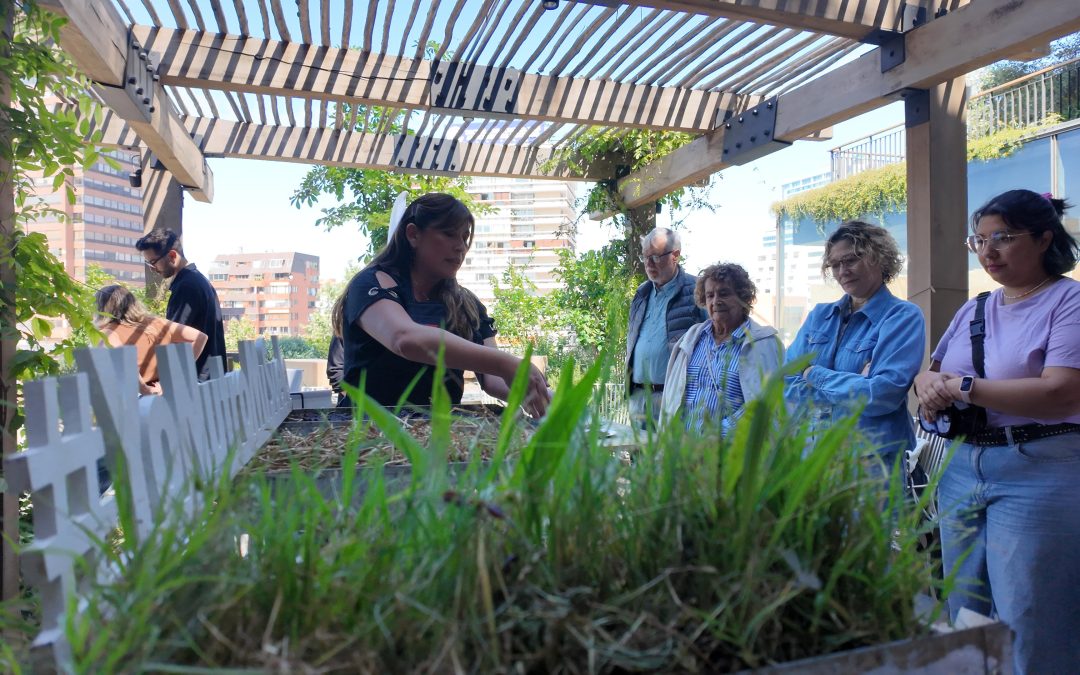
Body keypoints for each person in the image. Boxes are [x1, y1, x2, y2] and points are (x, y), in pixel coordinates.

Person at [913, 189, 1080, 674]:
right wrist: (927, 383)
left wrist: (964, 388)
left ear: (1044, 238)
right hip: (961, 465)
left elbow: (1061, 394)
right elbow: (933, 371)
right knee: (964, 611)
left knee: (1032, 619)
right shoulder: (975, 308)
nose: (988, 252)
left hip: (1040, 468)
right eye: (979, 240)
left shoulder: (1068, 301)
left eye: (1002, 238)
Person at [334, 193, 550, 416]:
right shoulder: (370, 284)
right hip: (368, 434)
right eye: (448, 234)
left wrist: (547, 396)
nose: (460, 247)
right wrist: (506, 363)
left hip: (440, 435)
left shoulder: (467, 305)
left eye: (465, 238)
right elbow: (405, 339)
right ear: (413, 235)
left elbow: (494, 381)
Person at [784, 221, 925, 470]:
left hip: (872, 463)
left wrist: (811, 373)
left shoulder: (902, 316)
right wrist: (855, 383)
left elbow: (881, 395)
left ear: (879, 257)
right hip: (813, 456)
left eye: (851, 260)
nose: (842, 271)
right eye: (835, 264)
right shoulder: (820, 315)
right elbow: (785, 382)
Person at [660, 263, 783, 433]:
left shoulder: (763, 344)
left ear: (743, 298)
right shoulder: (691, 339)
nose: (716, 301)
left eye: (724, 293)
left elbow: (764, 405)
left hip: (733, 453)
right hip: (685, 451)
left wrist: (715, 437)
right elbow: (674, 399)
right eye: (710, 295)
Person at [626, 227, 707, 428]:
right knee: (639, 458)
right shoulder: (642, 293)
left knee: (668, 458)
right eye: (645, 257)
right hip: (638, 397)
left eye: (655, 257)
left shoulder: (697, 291)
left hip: (672, 398)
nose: (648, 264)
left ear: (675, 256)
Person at [135, 229, 226, 380]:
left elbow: (171, 338)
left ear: (172, 256)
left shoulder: (186, 287)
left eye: (153, 263)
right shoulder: (199, 280)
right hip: (212, 377)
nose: (153, 270)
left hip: (197, 381)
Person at [95, 284, 208, 395]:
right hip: (170, 394)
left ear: (100, 308)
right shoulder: (156, 323)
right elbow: (200, 337)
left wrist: (145, 390)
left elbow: (125, 362)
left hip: (139, 401)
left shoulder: (108, 333)